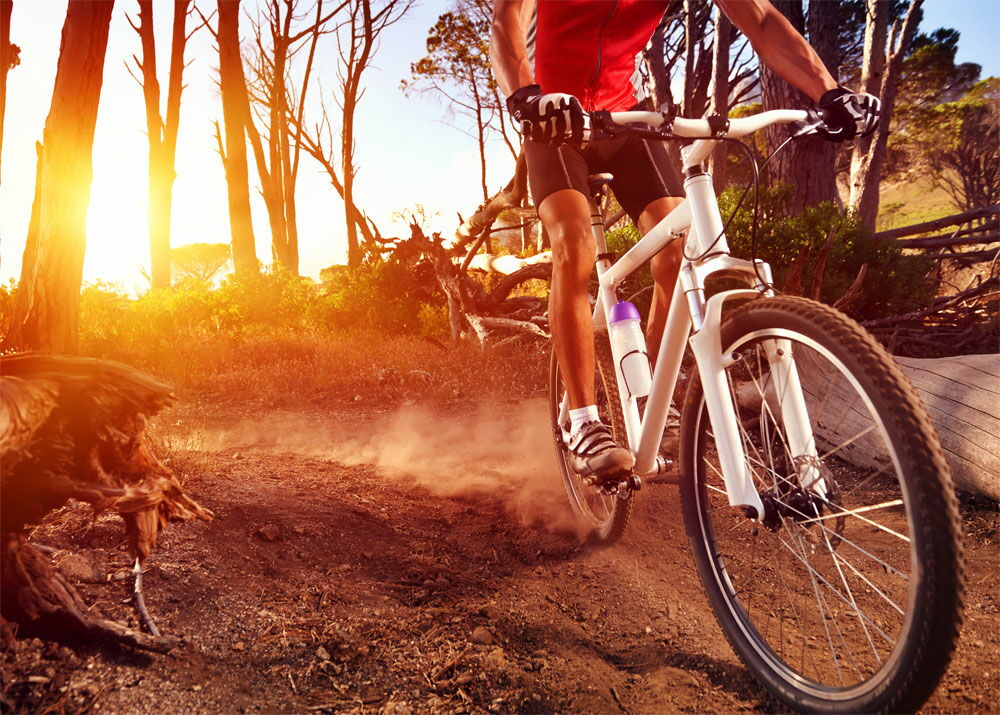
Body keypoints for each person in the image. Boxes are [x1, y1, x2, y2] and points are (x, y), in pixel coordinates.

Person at [490, 0, 880, 485]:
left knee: (677, 246)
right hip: (553, 118)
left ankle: (651, 399)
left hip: (623, 117)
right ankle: (584, 420)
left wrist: (829, 92)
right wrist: (525, 95)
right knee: (574, 243)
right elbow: (508, 16)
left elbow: (759, 20)